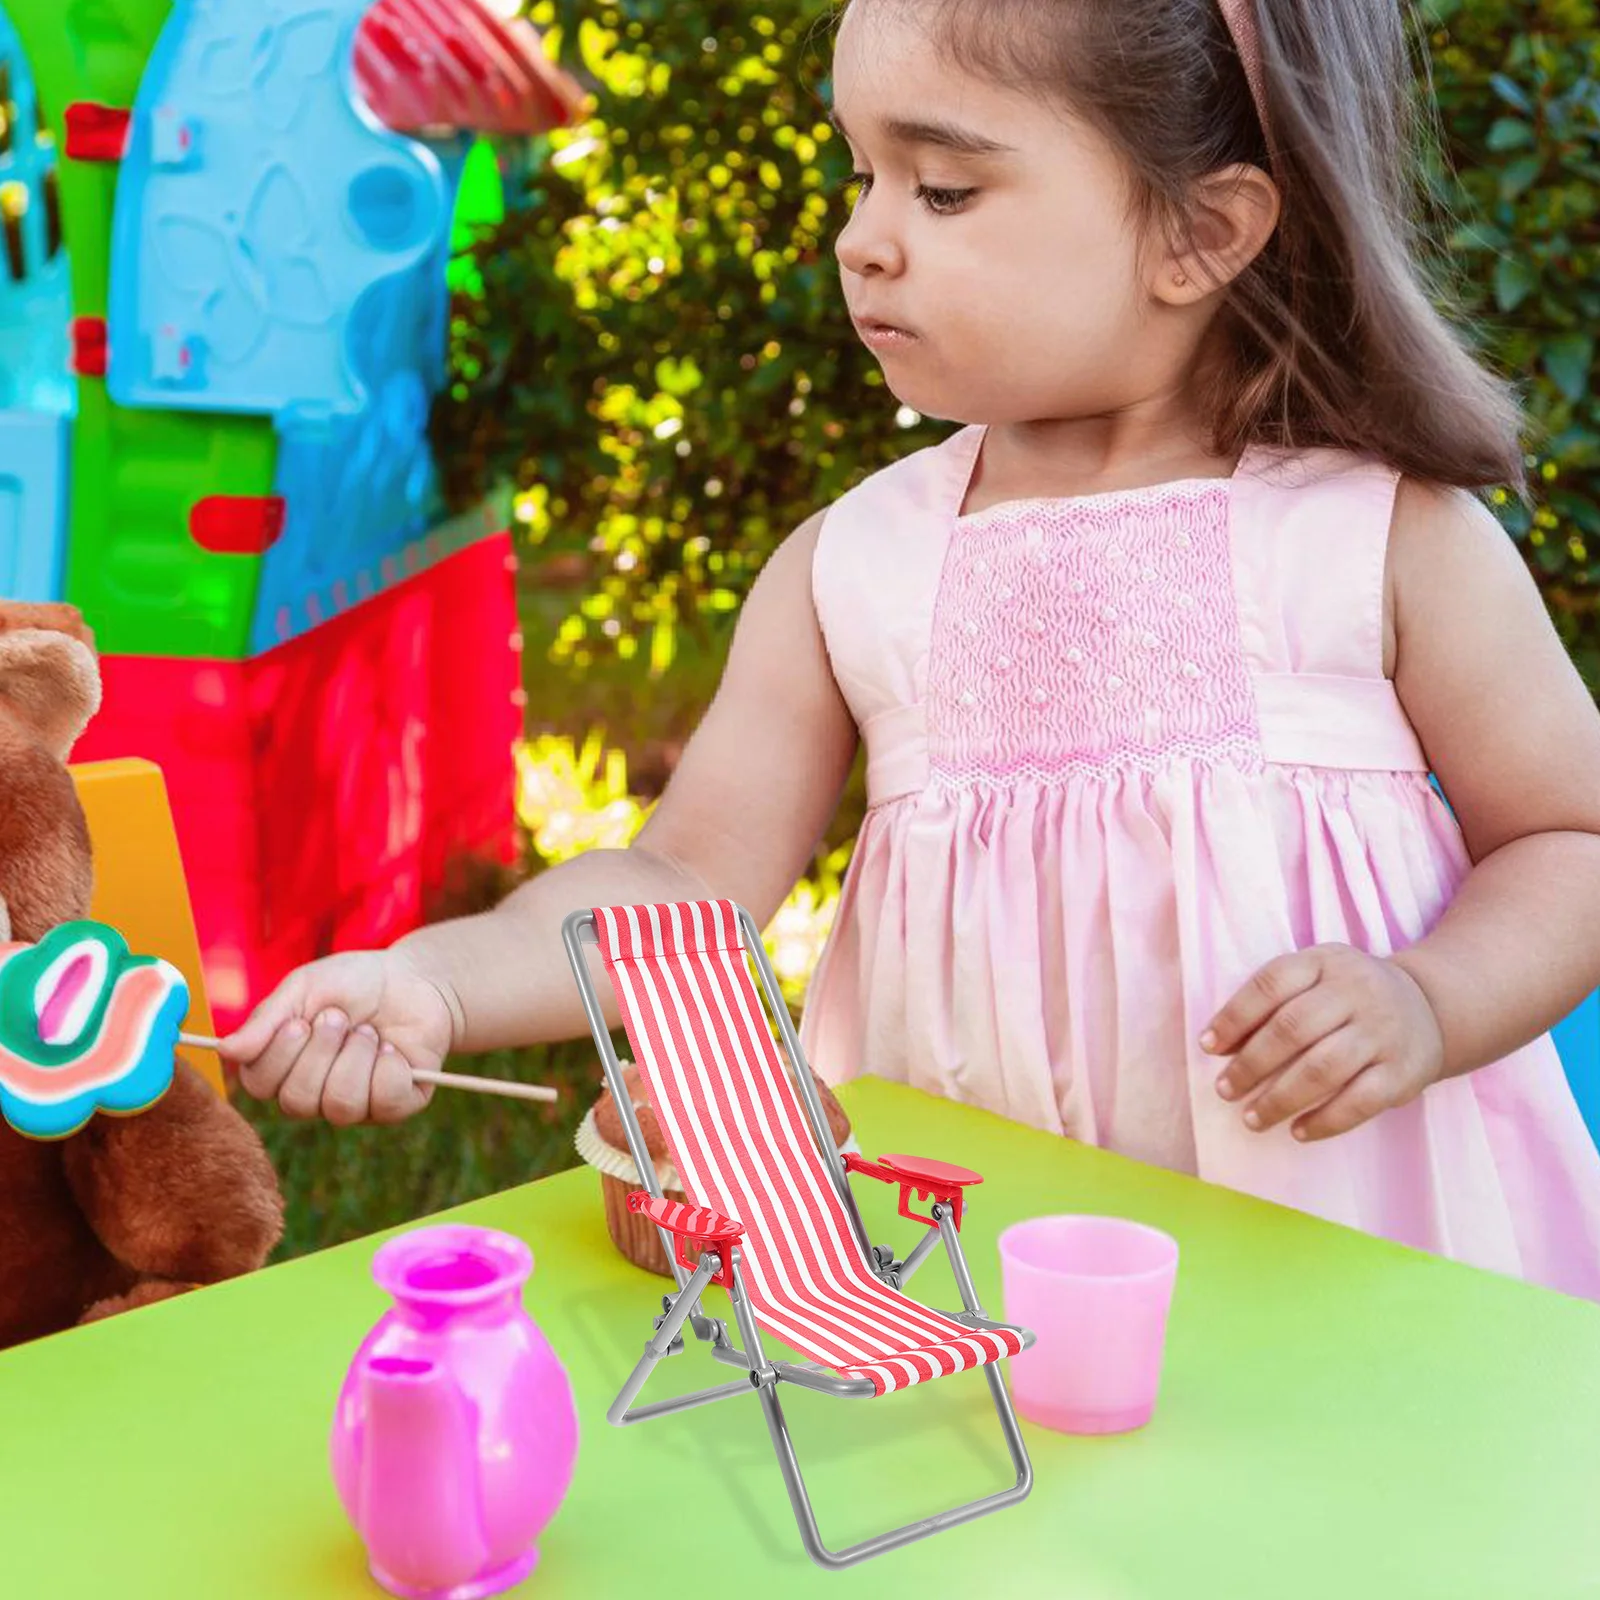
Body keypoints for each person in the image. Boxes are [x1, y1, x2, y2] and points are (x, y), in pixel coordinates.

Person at [225, 0, 1600, 1297]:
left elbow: (1570, 839)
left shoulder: (1375, 540)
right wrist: (434, 984)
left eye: (942, 190)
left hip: (1344, 1242)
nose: (865, 240)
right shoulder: (856, 566)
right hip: (979, 1246)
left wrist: (1429, 999)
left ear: (1199, 234)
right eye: (861, 178)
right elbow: (683, 880)